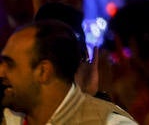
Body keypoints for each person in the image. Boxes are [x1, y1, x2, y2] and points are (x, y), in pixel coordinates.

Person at [0, 20, 137, 125]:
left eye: (10, 65)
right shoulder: (10, 120)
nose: (1, 73)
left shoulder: (108, 122)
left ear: (43, 71)